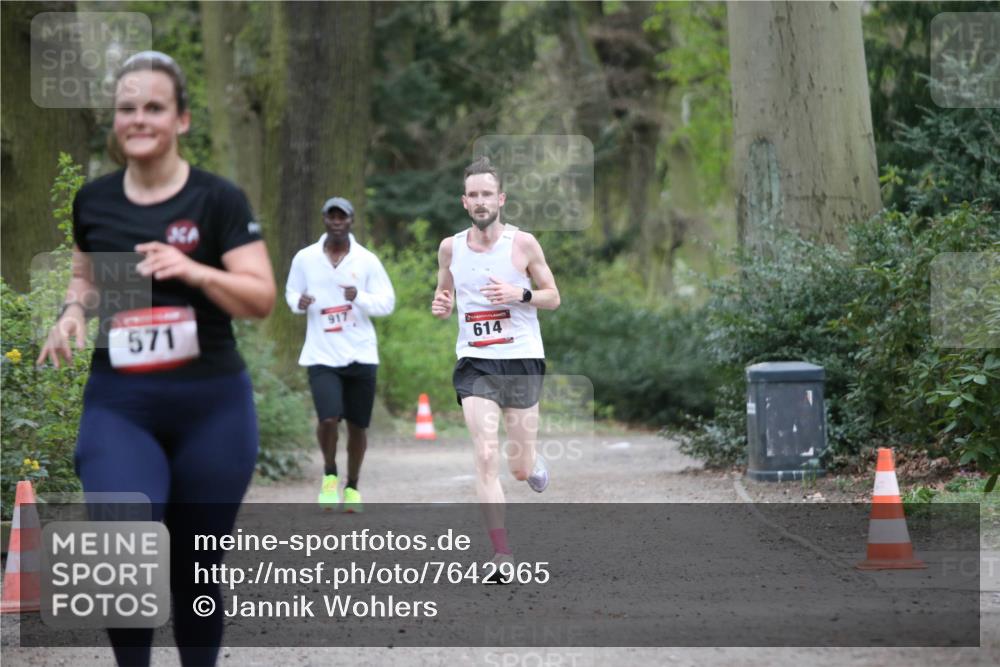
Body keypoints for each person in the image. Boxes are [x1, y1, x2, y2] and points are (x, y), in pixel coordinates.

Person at [37, 51, 276, 666]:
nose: (138, 119)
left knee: (197, 568)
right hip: (121, 406)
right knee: (122, 554)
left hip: (211, 408)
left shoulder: (217, 199)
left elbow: (259, 298)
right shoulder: (95, 201)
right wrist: (72, 313)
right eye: (127, 108)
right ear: (114, 120)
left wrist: (193, 271)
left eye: (153, 107)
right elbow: (87, 278)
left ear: (181, 119)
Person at [430, 156, 560, 578]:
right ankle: (501, 554)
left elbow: (553, 296)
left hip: (521, 358)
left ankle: (532, 464)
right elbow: (445, 294)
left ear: (500, 199)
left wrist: (519, 294)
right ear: (464, 202)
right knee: (486, 453)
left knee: (518, 469)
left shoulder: (523, 244)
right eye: (474, 195)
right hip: (475, 361)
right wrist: (442, 304)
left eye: (488, 194)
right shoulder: (450, 248)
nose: (481, 201)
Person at [285, 197, 395, 512]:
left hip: (361, 353)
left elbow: (387, 302)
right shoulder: (305, 258)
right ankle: (330, 473)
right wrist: (298, 303)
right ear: (324, 220)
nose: (336, 222)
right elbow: (292, 292)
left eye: (342, 217)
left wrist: (359, 297)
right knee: (328, 418)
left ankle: (353, 486)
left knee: (358, 426)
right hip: (321, 353)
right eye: (331, 217)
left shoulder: (366, 260)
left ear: (351, 221)